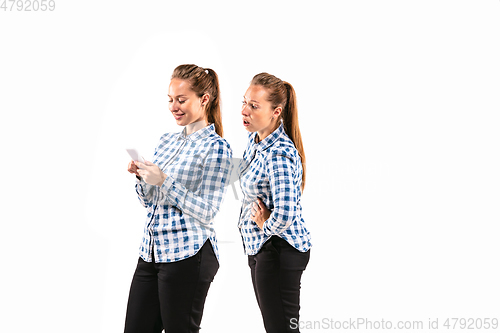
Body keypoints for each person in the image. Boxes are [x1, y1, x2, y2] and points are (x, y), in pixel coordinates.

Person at [124, 64, 233, 333]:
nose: (174, 106)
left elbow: (208, 211)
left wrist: (164, 181)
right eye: (171, 100)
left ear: (204, 99)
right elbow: (150, 202)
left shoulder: (217, 148)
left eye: (181, 100)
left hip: (188, 255)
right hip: (151, 252)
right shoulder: (166, 141)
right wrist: (143, 178)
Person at [238, 72, 312, 333]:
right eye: (245, 102)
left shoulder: (278, 153)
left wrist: (264, 225)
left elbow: (286, 213)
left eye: (254, 106)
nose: (244, 110)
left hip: (279, 249)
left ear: (276, 111)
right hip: (262, 247)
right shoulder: (255, 140)